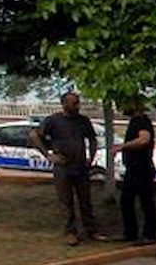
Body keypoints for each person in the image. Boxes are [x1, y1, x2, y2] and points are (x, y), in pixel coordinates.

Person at [30, 91, 107, 246]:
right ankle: (70, 232)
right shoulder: (54, 120)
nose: (77, 106)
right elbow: (34, 135)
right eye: (74, 103)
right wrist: (48, 155)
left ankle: (92, 230)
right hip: (63, 167)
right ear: (64, 104)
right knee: (66, 201)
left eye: (78, 102)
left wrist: (90, 158)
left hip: (80, 166)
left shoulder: (83, 121)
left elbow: (92, 139)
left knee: (85, 200)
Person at [112, 97, 156, 245]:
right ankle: (130, 233)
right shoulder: (134, 121)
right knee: (126, 201)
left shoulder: (141, 121)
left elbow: (144, 139)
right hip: (133, 168)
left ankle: (149, 235)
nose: (121, 107)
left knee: (145, 202)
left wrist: (122, 147)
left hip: (142, 168)